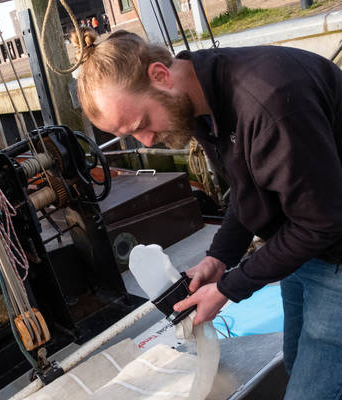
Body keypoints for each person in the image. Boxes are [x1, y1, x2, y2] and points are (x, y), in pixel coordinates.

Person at [75, 30, 342, 400]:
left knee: (315, 390)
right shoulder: (199, 103)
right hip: (306, 242)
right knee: (298, 360)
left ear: (160, 76)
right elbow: (248, 191)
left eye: (141, 125)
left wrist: (230, 288)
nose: (147, 142)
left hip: (332, 243)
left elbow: (322, 220)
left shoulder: (268, 103)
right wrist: (219, 259)